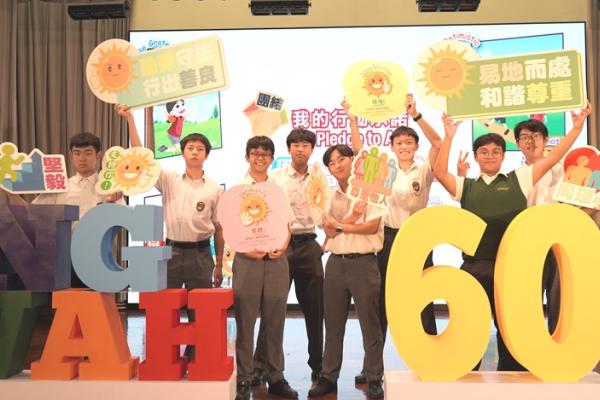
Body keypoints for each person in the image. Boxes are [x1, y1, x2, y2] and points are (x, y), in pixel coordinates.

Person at [433, 102, 592, 370]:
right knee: (470, 325)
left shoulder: (519, 179)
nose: (490, 156)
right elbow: (439, 173)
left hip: (510, 267)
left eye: (496, 151)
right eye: (484, 152)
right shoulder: (466, 186)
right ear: (476, 156)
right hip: (473, 266)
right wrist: (448, 136)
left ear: (503, 155)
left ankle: (512, 375)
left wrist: (576, 128)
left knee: (509, 327)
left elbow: (553, 158)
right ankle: (466, 374)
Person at [344, 94, 442, 384]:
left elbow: (439, 144)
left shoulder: (423, 168)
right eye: (399, 143)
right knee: (380, 303)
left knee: (423, 299)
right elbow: (359, 150)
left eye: (409, 142)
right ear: (392, 146)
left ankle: (432, 361)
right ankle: (372, 367)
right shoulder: (384, 167)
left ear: (416, 146)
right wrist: (353, 120)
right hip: (385, 239)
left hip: (418, 238)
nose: (404, 147)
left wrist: (417, 116)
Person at [119, 104, 224, 361]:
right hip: (172, 252)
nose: (195, 152)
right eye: (190, 148)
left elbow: (219, 228)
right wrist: (130, 118)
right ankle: (165, 357)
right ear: (183, 152)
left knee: (200, 310)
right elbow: (142, 158)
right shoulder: (169, 179)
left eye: (200, 149)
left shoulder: (214, 188)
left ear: (206, 155)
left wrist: (220, 263)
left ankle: (197, 356)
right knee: (166, 308)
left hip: (201, 254)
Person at [308, 144, 384, 399]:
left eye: (342, 159)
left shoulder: (370, 190)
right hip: (336, 264)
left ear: (353, 160)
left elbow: (372, 226)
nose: (337, 165)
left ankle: (374, 377)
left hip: (364, 262)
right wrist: (349, 222)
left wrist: (340, 225)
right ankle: (328, 377)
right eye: (332, 163)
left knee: (370, 324)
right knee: (333, 324)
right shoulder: (327, 196)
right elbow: (328, 231)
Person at [252, 128, 324, 385]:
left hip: (309, 244)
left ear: (312, 149)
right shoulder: (275, 177)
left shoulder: (319, 178)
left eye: (305, 145)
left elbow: (325, 210)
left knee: (315, 310)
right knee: (272, 308)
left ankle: (318, 366)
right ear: (289, 149)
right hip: (279, 246)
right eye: (296, 145)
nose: (300, 149)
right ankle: (260, 366)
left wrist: (328, 241)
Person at [7, 130, 125, 287]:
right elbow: (31, 212)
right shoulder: (61, 185)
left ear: (98, 155)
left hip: (100, 256)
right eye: (77, 153)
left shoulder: (110, 186)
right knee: (67, 297)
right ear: (70, 155)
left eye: (88, 153)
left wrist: (111, 203)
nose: (82, 158)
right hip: (65, 257)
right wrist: (11, 193)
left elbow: (124, 219)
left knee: (100, 299)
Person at [233, 135, 298, 400]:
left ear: (272, 159)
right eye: (255, 153)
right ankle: (243, 378)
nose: (260, 158)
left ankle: (275, 376)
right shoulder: (237, 190)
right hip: (247, 260)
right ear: (247, 157)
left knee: (275, 320)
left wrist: (282, 246)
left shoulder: (278, 190)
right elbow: (230, 228)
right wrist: (246, 249)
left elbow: (287, 226)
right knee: (245, 321)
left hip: (276, 261)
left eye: (265, 154)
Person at [514, 118, 564, 333]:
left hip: (559, 240)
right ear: (518, 143)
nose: (530, 141)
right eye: (525, 137)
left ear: (545, 140)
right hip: (529, 243)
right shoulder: (514, 176)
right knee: (529, 297)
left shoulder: (562, 170)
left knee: (559, 298)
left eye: (536, 136)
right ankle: (530, 343)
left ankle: (559, 342)